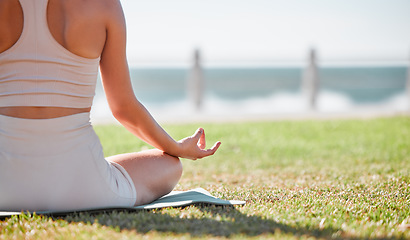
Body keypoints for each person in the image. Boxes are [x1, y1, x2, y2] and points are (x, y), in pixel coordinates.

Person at [0, 0, 221, 211]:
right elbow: (124, 108)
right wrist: (177, 148)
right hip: (83, 188)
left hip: (5, 186)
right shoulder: (104, 5)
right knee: (171, 165)